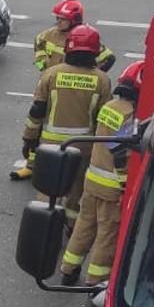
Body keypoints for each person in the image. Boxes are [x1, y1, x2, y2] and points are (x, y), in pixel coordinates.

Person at [58, 62, 142, 286]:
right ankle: (95, 280)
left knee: (84, 225)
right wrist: (126, 186)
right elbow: (120, 152)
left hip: (92, 179)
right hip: (111, 187)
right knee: (107, 234)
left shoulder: (111, 106)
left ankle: (68, 269)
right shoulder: (132, 115)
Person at [21, 25, 114, 220]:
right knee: (75, 193)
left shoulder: (52, 74)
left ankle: (41, 227)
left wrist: (29, 140)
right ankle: (70, 229)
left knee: (46, 191)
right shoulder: (102, 80)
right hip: (83, 148)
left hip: (51, 147)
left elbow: (37, 111)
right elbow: (103, 120)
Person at [15, 0, 114, 180]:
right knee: (39, 121)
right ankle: (31, 165)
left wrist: (91, 72)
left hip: (66, 87)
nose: (58, 21)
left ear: (74, 20)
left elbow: (109, 57)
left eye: (62, 18)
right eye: (58, 18)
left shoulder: (83, 35)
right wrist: (42, 64)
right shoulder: (50, 34)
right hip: (52, 84)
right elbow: (38, 42)